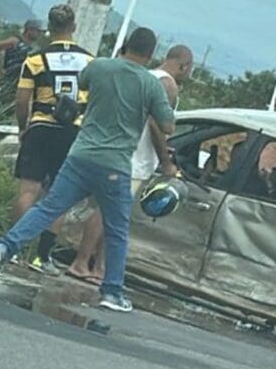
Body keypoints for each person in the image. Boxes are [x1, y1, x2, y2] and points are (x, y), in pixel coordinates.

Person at [0, 27, 177, 313]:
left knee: (48, 206)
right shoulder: (150, 85)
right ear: (151, 54)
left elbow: (84, 87)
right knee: (117, 229)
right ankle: (112, 291)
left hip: (80, 154)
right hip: (115, 164)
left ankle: (4, 249)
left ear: (125, 44)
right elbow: (168, 125)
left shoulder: (98, 67)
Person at [67, 45, 193, 283]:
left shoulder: (147, 76)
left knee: (110, 212)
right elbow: (158, 126)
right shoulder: (167, 85)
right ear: (184, 66)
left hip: (116, 150)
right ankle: (83, 263)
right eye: (189, 70)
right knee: (107, 212)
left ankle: (99, 267)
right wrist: (166, 161)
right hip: (135, 159)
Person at [11, 5, 95, 276]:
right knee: (58, 196)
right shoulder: (90, 62)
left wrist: (24, 127)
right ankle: (40, 257)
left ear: (49, 27)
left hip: (40, 127)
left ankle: (12, 250)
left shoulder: (35, 59)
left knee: (28, 190)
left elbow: (22, 100)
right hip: (72, 132)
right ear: (73, 27)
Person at [0, 19, 43, 123]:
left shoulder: (34, 48)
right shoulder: (15, 41)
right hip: (7, 83)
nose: (39, 34)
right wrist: (1, 68)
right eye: (37, 31)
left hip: (20, 86)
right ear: (29, 30)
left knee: (8, 115)